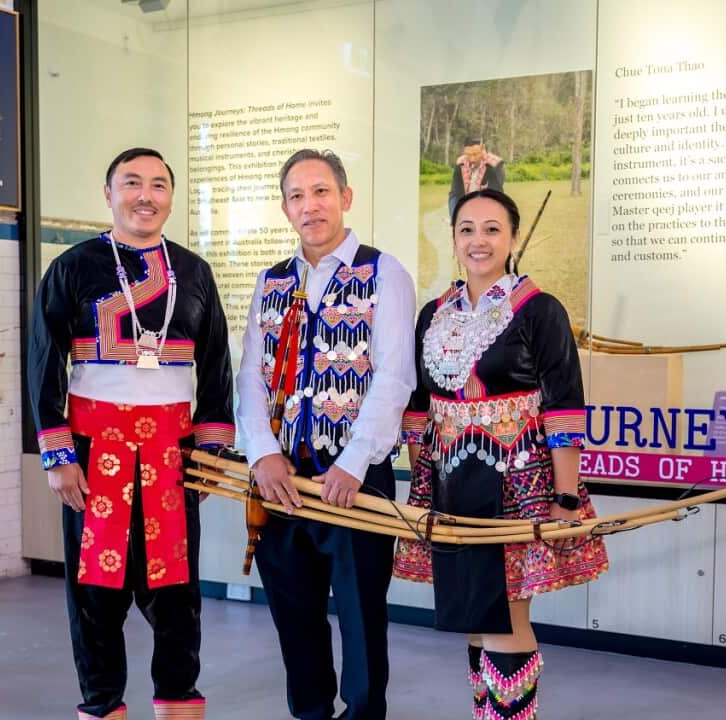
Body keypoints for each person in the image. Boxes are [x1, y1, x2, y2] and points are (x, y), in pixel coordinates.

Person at [28, 147, 234, 720]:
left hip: (173, 456)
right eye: (132, 183)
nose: (146, 195)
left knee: (176, 595)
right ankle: (101, 702)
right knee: (95, 595)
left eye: (159, 185)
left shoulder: (193, 272)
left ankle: (177, 700)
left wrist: (212, 449)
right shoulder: (73, 267)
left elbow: (216, 364)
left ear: (171, 196)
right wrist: (57, 454)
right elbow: (44, 364)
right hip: (94, 456)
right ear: (109, 193)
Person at [395, 188, 608, 720]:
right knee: (474, 610)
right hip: (449, 483)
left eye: (492, 229)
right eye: (467, 229)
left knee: (505, 613)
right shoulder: (434, 313)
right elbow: (420, 407)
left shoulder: (539, 310)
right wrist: (421, 485)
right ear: (453, 239)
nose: (478, 240)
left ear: (512, 238)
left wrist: (564, 496)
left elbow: (563, 410)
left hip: (517, 482)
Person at [236, 149, 417, 720]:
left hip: (354, 480)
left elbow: (394, 377)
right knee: (294, 614)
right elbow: (249, 377)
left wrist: (355, 462)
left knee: (363, 615)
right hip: (283, 480)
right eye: (296, 195)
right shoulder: (271, 282)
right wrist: (263, 454)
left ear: (345, 197)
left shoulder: (383, 272)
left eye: (320, 192)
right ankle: (311, 713)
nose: (309, 205)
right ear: (285, 207)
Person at [448, 137, 505, 221]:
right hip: (465, 210)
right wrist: (455, 217)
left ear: (482, 148)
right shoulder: (460, 163)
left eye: (475, 154)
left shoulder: (495, 164)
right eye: (468, 154)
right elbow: (455, 194)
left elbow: (495, 196)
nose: (472, 159)